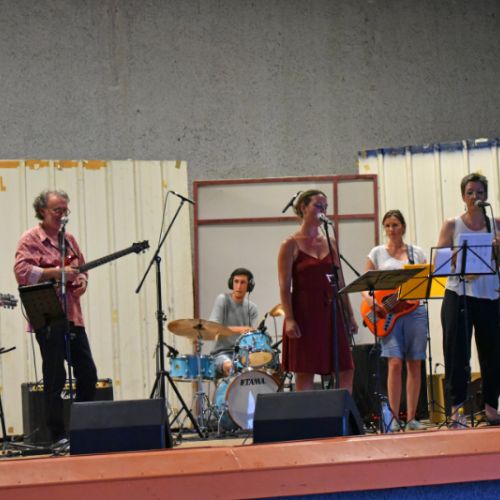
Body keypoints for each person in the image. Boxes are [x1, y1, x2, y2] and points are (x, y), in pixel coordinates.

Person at [14, 189, 98, 446]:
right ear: (42, 210)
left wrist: (82, 281)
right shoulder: (30, 238)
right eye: (57, 210)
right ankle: (57, 434)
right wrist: (56, 272)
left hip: (73, 315)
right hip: (48, 314)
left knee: (88, 373)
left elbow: (80, 269)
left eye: (65, 210)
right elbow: (22, 271)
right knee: (55, 376)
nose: (62, 215)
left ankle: (82, 430)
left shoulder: (69, 239)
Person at [436, 173, 500, 428]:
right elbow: (439, 264)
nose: (475, 197)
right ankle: (456, 410)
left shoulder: (495, 223)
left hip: (489, 295)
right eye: (470, 193)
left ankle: (491, 407)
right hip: (459, 294)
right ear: (463, 196)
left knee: (493, 353)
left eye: (480, 192)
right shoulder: (452, 224)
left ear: (487, 195)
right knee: (457, 353)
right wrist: (456, 256)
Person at [278, 189, 357, 392]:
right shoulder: (290, 244)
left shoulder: (330, 241)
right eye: (318, 205)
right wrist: (290, 319)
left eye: (326, 207)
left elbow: (340, 280)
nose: (323, 211)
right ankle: (306, 413)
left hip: (331, 310)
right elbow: (284, 286)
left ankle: (341, 410)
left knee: (346, 368)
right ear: (303, 207)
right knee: (306, 370)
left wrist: (350, 315)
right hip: (304, 311)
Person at [362, 210, 427, 431]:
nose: (391, 229)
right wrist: (372, 302)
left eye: (395, 225)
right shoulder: (377, 253)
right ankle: (393, 418)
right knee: (395, 362)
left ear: (403, 227)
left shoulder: (416, 253)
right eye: (388, 225)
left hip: (414, 312)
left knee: (415, 362)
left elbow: (423, 282)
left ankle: (412, 418)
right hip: (387, 313)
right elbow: (365, 285)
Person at [209, 268, 258, 377]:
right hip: (221, 354)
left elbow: (252, 338)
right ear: (231, 283)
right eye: (236, 282)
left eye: (243, 282)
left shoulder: (252, 308)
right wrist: (240, 329)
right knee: (231, 366)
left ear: (249, 286)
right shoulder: (223, 299)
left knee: (261, 366)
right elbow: (213, 328)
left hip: (243, 354)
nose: (238, 286)